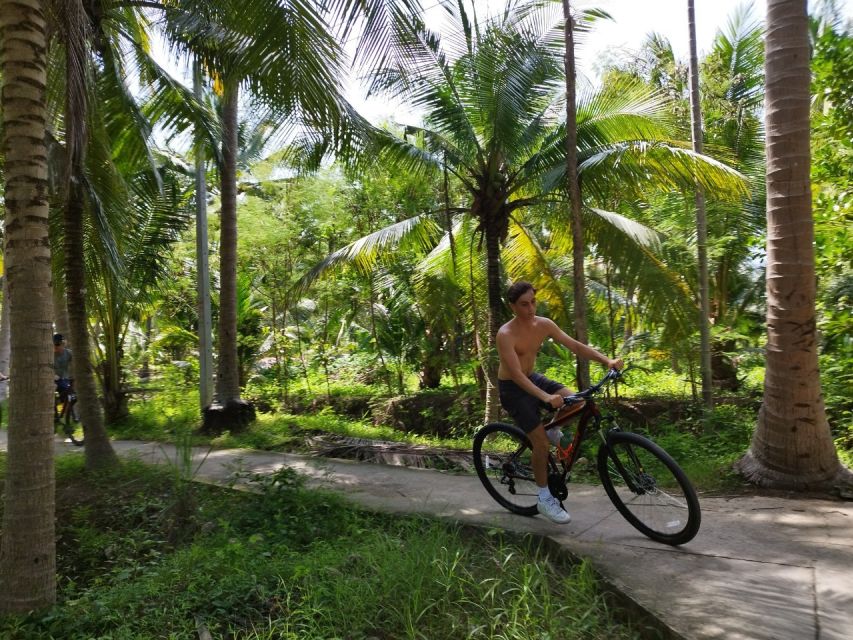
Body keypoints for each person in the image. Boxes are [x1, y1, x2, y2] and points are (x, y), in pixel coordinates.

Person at [497, 281, 623, 524]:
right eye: (524, 304)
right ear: (512, 306)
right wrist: (545, 397)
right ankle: (544, 498)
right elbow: (516, 375)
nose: (530, 308)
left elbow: (575, 346)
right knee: (541, 445)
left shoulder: (543, 324)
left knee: (577, 402)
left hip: (532, 378)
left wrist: (606, 360)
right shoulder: (505, 335)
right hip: (514, 388)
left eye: (533, 302)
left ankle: (554, 428)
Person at [53, 333, 73, 400]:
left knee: (71, 397)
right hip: (53, 380)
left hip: (65, 380)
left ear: (63, 344)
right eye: (53, 344)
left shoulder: (69, 353)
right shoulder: (49, 355)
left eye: (57, 344)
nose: (55, 346)